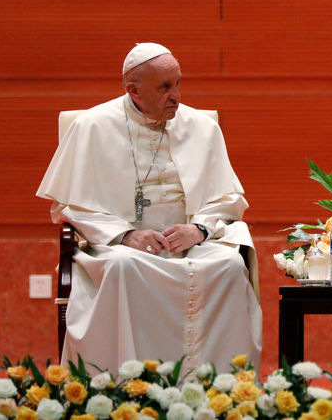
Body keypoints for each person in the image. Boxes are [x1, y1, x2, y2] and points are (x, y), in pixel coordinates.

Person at [37, 43, 262, 372]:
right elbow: (70, 206)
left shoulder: (202, 127)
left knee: (228, 265)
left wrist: (198, 229)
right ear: (134, 90)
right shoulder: (92, 127)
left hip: (188, 243)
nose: (177, 96)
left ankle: (218, 388)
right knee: (122, 269)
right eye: (165, 87)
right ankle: (127, 386)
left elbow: (227, 198)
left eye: (178, 83)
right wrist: (125, 235)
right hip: (120, 246)